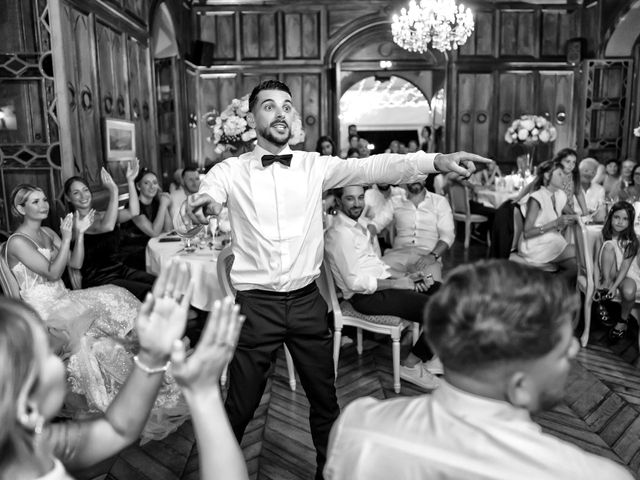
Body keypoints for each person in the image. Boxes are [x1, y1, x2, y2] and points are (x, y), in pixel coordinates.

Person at [186, 79, 489, 479]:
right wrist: (197, 206)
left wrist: (436, 160)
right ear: (252, 117)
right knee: (239, 408)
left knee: (326, 403)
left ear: (293, 117)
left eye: (287, 106)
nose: (280, 113)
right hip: (256, 307)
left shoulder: (315, 166)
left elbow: (377, 165)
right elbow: (204, 199)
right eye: (269, 106)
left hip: (308, 304)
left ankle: (326, 474)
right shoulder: (229, 171)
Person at [324, 260, 634, 480]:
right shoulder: (594, 475)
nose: (575, 350)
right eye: (562, 348)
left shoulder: (356, 427)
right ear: (520, 384)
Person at [6, 184, 188, 442]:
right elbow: (52, 273)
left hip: (64, 299)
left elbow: (75, 263)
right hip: (42, 310)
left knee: (118, 294)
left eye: (44, 198)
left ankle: (146, 362)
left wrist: (78, 236)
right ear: (20, 208)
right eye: (35, 202)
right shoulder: (17, 242)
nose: (43, 205)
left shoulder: (47, 231)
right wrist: (68, 237)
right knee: (98, 323)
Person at [325, 185, 442, 390]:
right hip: (366, 297)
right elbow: (356, 283)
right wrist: (397, 283)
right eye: (350, 199)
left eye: (361, 197)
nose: (358, 203)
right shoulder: (340, 234)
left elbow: (375, 266)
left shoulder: (358, 224)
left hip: (383, 285)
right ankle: (412, 365)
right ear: (337, 200)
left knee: (445, 293)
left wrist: (407, 276)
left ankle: (430, 354)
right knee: (441, 310)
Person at [63, 162, 156, 301]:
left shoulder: (102, 215)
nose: (83, 196)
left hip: (120, 270)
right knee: (151, 293)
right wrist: (114, 191)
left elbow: (134, 211)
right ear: (68, 198)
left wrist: (130, 181)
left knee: (162, 282)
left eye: (85, 190)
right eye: (76, 193)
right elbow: (107, 227)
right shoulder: (73, 223)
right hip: (100, 280)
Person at [380, 180, 455, 282]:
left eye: (419, 175)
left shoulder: (439, 201)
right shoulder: (394, 201)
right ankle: (405, 279)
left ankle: (407, 280)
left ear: (425, 177)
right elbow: (375, 224)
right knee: (373, 274)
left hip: (427, 258)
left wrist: (432, 256)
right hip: (397, 256)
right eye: (411, 175)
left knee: (432, 284)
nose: (415, 179)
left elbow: (447, 235)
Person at [519, 160, 578, 277]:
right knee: (580, 251)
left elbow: (572, 214)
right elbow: (527, 233)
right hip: (535, 245)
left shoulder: (559, 194)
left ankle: (555, 291)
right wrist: (555, 224)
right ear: (547, 175)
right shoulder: (537, 198)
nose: (565, 178)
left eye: (565, 175)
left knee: (575, 267)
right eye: (560, 174)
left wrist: (581, 218)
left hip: (552, 241)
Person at [595, 201, 640, 342]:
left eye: (625, 219)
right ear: (610, 217)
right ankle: (604, 288)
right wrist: (597, 283)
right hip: (609, 272)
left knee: (628, 291)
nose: (620, 222)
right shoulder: (602, 236)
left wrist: (615, 287)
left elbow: (626, 267)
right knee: (609, 245)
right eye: (617, 217)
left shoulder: (632, 240)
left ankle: (622, 321)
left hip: (626, 273)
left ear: (630, 222)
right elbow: (596, 263)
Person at [119, 168, 172, 270]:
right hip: (133, 256)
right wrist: (163, 205)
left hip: (151, 250)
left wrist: (162, 202)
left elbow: (168, 229)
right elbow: (154, 232)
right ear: (138, 186)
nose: (152, 186)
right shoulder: (133, 208)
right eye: (147, 183)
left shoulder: (157, 203)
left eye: (155, 183)